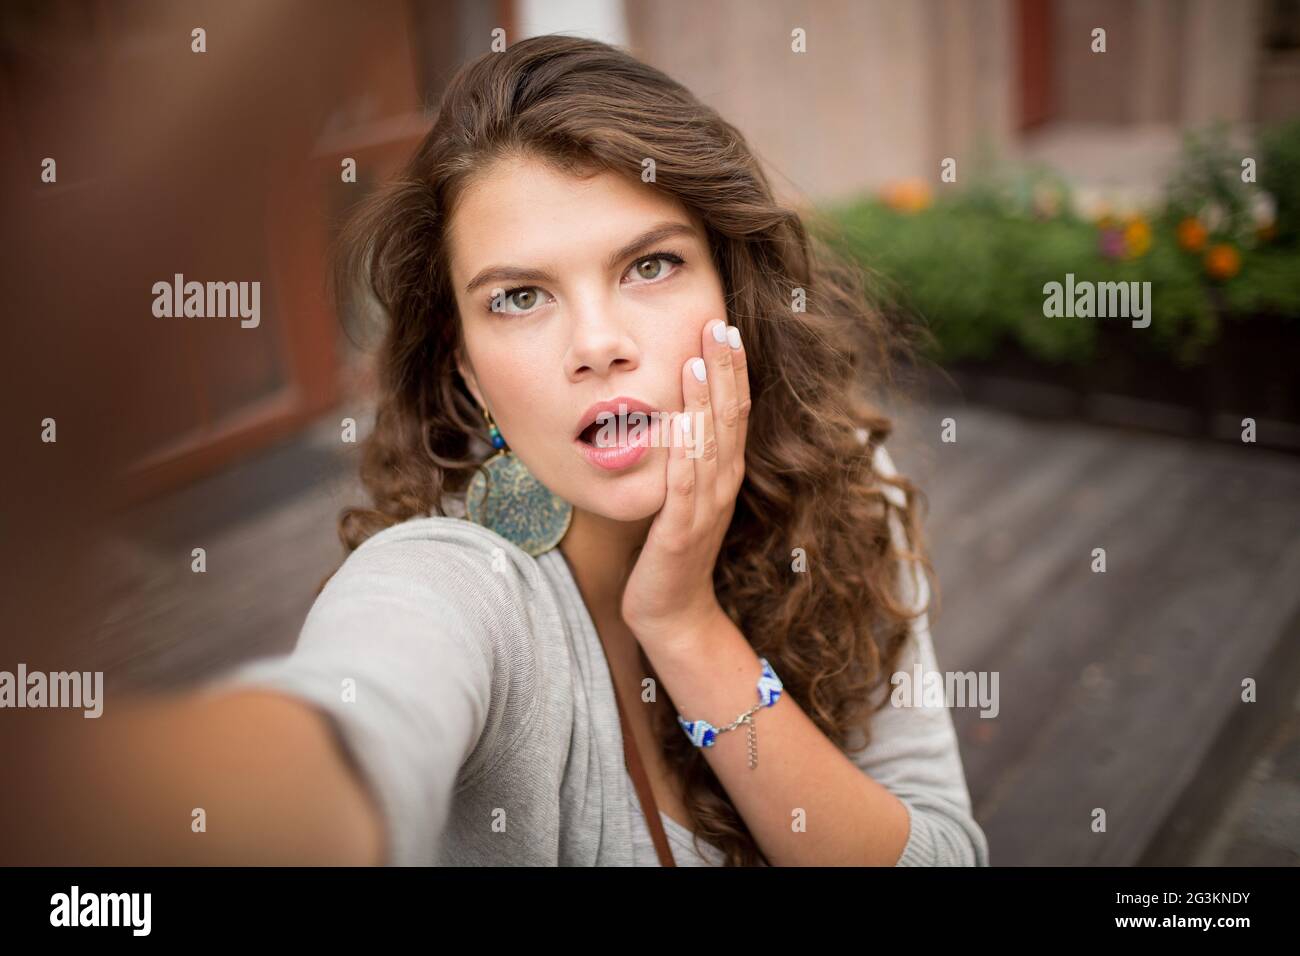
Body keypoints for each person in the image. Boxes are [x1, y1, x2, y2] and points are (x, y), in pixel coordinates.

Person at [16, 33, 989, 868]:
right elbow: (327, 752)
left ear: (732, 290)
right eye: (518, 296)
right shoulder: (450, 582)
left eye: (649, 264)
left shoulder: (849, 486)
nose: (596, 342)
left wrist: (685, 624)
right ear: (468, 368)